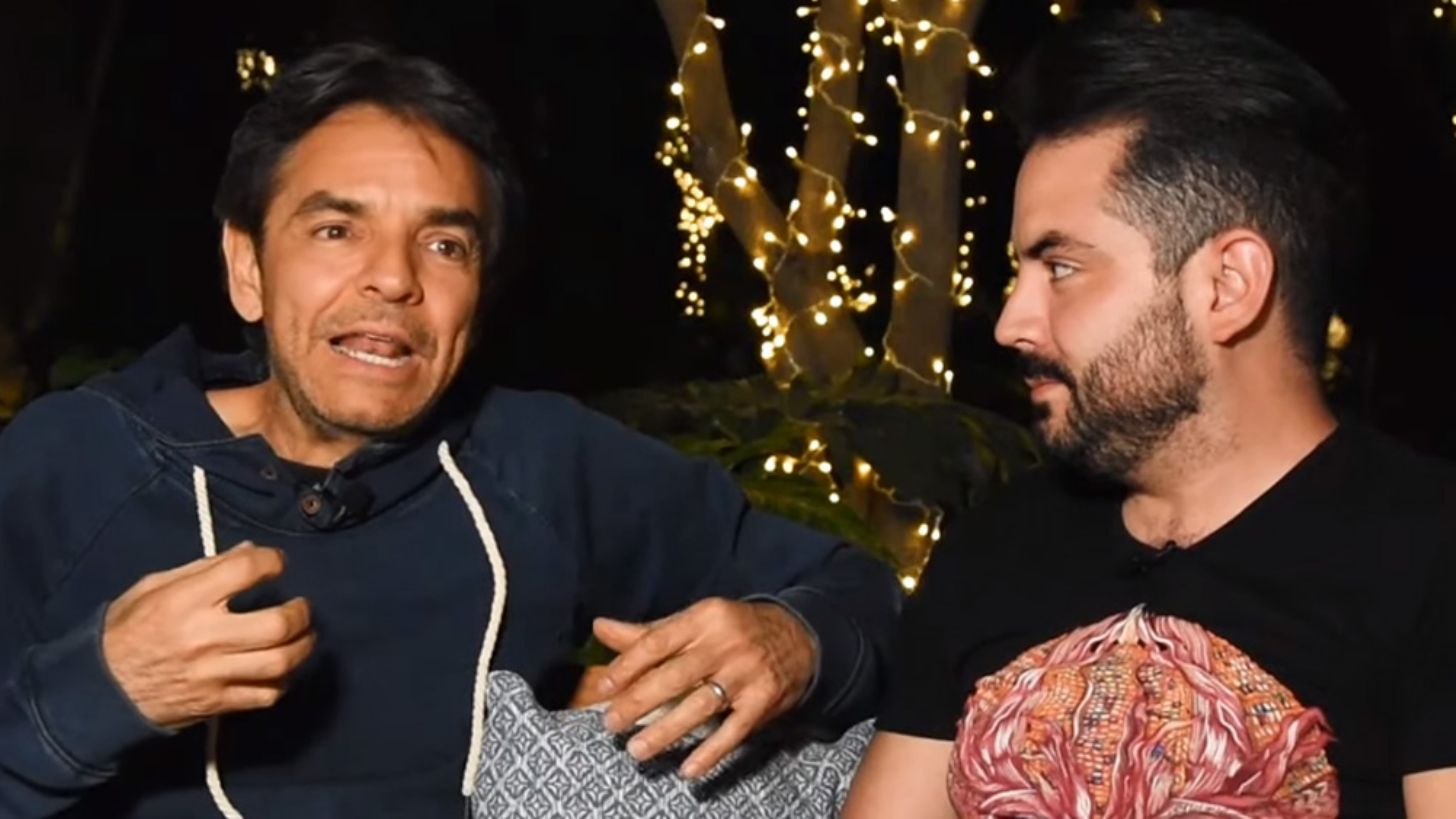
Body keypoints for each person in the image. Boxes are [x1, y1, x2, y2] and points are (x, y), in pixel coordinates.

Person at [0, 42, 901, 817]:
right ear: (248, 266)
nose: (394, 279)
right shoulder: (72, 463)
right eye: (335, 229)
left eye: (445, 245)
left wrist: (794, 641)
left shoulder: (544, 464)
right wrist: (89, 695)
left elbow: (871, 599)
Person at [842, 9, 1456, 819]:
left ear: (1227, 286)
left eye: (1061, 267)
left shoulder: (1431, 555)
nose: (1011, 322)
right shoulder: (993, 548)